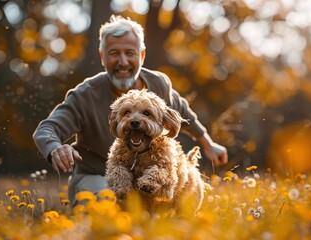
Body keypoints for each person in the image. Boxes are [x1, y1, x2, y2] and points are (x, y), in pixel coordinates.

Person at [33, 15, 228, 206]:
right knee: (111, 203)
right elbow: (46, 129)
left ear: (142, 55)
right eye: (114, 53)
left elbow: (182, 112)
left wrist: (208, 143)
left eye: (130, 53)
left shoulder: (159, 83)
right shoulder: (85, 94)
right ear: (102, 57)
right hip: (95, 176)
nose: (123, 62)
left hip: (144, 178)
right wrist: (56, 148)